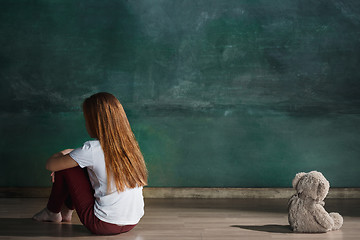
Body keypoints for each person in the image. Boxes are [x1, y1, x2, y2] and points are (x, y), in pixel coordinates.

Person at [33, 92, 148, 235]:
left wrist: (60, 155)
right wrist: (68, 155)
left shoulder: (92, 150)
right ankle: (66, 212)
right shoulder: (129, 147)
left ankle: (52, 211)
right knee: (75, 162)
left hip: (102, 224)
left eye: (86, 119)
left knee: (66, 167)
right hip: (132, 222)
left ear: (95, 122)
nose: (86, 123)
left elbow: (50, 165)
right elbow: (87, 155)